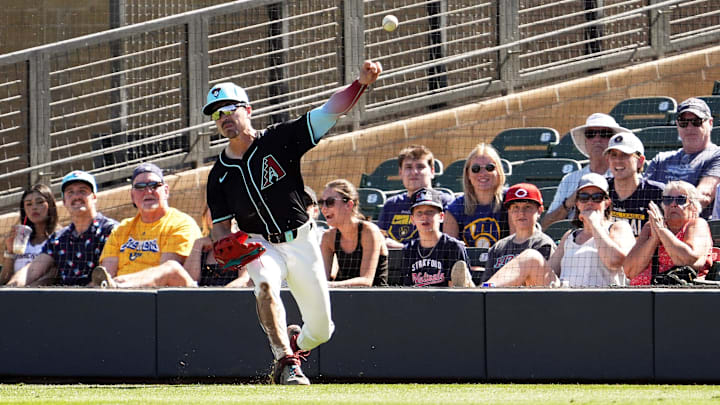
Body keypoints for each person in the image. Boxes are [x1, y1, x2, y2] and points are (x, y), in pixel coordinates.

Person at [203, 60, 382, 385]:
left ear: (248, 109)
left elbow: (329, 111)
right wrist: (222, 243)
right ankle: (286, 361)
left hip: (301, 240)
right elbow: (220, 224)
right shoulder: (218, 175)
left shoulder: (279, 139)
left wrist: (360, 84)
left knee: (322, 329)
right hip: (259, 242)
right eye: (216, 114)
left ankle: (297, 345)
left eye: (229, 108)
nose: (224, 118)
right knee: (266, 286)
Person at [484, 173, 635, 287]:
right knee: (532, 257)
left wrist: (595, 224)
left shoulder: (618, 227)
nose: (589, 202)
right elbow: (549, 272)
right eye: (583, 197)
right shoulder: (569, 236)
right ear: (577, 203)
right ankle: (484, 291)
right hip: (565, 300)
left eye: (596, 197)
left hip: (601, 300)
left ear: (606, 202)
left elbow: (615, 261)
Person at [92, 163, 203, 288]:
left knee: (171, 267)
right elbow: (107, 272)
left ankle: (118, 286)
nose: (148, 191)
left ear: (166, 191)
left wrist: (122, 283)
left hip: (162, 298)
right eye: (140, 187)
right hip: (121, 297)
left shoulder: (181, 224)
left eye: (154, 185)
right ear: (132, 196)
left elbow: (165, 276)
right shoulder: (122, 229)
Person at [7, 171, 117, 286]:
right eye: (70, 193)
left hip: (97, 300)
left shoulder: (111, 230)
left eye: (82, 191)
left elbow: (105, 279)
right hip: (63, 300)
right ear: (64, 201)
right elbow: (31, 271)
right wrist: (10, 289)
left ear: (94, 197)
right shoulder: (58, 239)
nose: (76, 196)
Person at [451, 183, 555, 287]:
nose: (521, 213)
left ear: (539, 210)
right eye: (516, 208)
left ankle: (470, 289)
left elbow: (542, 284)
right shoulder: (498, 247)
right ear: (509, 211)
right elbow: (487, 282)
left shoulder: (544, 244)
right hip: (496, 299)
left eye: (527, 207)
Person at [542, 113, 628, 228]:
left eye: (604, 134)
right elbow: (546, 226)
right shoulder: (570, 179)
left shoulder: (624, 176)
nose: (597, 139)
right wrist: (570, 202)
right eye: (591, 134)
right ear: (585, 141)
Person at [625, 181, 712, 285]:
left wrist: (662, 231)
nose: (673, 204)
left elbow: (687, 260)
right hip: (642, 292)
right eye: (668, 200)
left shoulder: (697, 224)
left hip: (679, 292)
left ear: (693, 206)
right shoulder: (651, 226)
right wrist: (653, 239)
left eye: (680, 200)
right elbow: (629, 271)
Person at [645, 98, 719, 218]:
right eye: (683, 122)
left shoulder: (717, 156)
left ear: (710, 123)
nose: (689, 127)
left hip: (695, 228)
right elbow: (642, 196)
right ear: (677, 125)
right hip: (656, 226)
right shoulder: (661, 159)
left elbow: (704, 196)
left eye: (696, 121)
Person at [376, 145, 454, 248]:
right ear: (400, 172)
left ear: (432, 171)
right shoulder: (391, 205)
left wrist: (402, 249)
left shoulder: (445, 202)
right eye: (408, 167)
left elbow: (449, 246)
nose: (414, 172)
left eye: (420, 167)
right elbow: (381, 239)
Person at [319, 179, 388, 287]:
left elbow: (366, 281)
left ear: (349, 205)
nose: (323, 209)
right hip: (342, 299)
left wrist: (329, 285)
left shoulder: (369, 231)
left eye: (330, 202)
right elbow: (323, 278)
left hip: (375, 300)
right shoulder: (328, 237)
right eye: (321, 203)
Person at [401, 188, 469, 287]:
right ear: (412, 219)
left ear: (441, 216)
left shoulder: (453, 247)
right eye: (419, 212)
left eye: (430, 212)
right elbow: (406, 288)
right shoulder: (409, 249)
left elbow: (457, 291)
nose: (424, 216)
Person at [444, 143, 507, 248]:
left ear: (499, 171)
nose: (483, 173)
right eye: (476, 168)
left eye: (489, 167)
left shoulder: (511, 201)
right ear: (468, 174)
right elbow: (450, 253)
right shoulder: (455, 209)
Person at [604, 132, 664, 236]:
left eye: (625, 155)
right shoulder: (600, 189)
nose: (618, 160)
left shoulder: (657, 193)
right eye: (613, 155)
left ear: (640, 161)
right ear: (608, 160)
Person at [0, 184, 59, 285]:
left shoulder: (60, 237)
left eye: (40, 202)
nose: (34, 208)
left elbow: (55, 276)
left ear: (50, 205)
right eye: (28, 204)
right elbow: (3, 280)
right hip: (14, 293)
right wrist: (10, 252)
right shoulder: (19, 239)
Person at [184, 205, 251, 287]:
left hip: (231, 297)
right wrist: (197, 245)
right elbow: (190, 281)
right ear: (205, 217)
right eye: (211, 210)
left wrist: (220, 294)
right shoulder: (201, 247)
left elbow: (245, 279)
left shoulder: (242, 244)